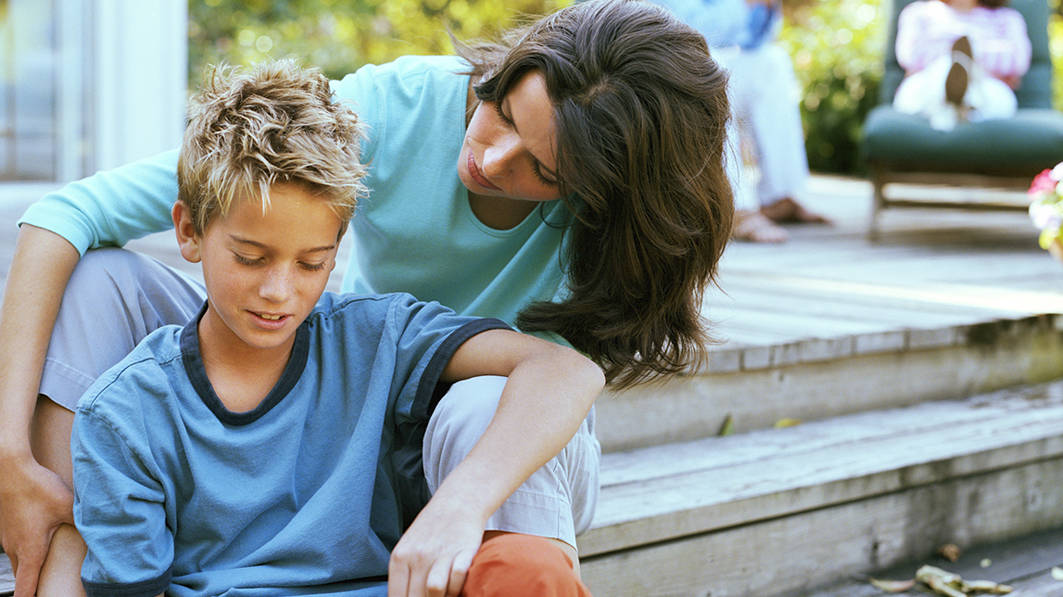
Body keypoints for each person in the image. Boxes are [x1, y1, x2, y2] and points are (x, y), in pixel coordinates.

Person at [0, 1, 733, 595]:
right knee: (97, 277)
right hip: (339, 393)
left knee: (481, 399)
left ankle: (516, 575)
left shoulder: (609, 232)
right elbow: (67, 214)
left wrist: (459, 504)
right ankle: (70, 528)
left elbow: (563, 375)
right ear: (505, 74)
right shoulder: (401, 104)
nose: (487, 157)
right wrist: (8, 454)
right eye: (503, 114)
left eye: (541, 167)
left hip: (478, 451)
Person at [64, 58, 602, 597]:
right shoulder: (123, 415)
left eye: (311, 262)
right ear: (188, 231)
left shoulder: (381, 338)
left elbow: (567, 369)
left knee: (526, 569)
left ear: (338, 246)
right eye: (250, 258)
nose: (279, 291)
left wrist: (462, 504)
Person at [654, 0, 828, 244]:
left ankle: (779, 194)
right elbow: (689, 31)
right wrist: (746, 4)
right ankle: (737, 207)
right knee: (713, 66)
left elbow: (759, 38)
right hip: (665, 69)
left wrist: (767, 7)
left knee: (773, 60)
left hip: (716, 55)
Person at [893, 0, 1031, 131]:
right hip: (929, 83)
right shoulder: (918, 13)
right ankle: (957, 101)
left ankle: (955, 107)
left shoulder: (1007, 18)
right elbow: (910, 56)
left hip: (984, 84)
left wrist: (966, 50)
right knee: (942, 69)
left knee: (999, 99)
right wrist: (970, 52)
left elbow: (1018, 61)